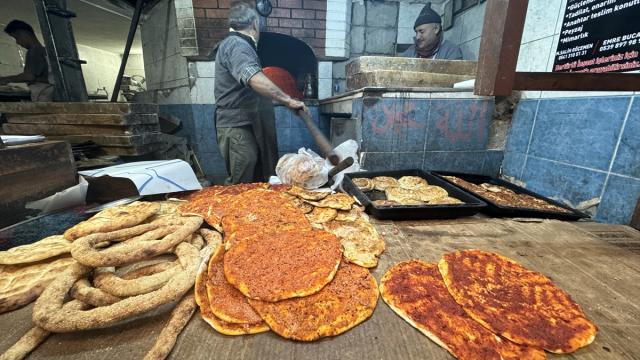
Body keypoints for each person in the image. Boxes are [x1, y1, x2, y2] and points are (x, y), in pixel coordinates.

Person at [214, 2, 306, 185]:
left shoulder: (236, 45)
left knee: (254, 184)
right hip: (239, 127)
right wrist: (288, 100)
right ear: (255, 23)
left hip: (245, 125)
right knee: (241, 187)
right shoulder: (237, 45)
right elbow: (253, 78)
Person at [0, 20, 54, 101]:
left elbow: (29, 76)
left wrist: (5, 79)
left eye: (16, 38)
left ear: (24, 33)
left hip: (43, 96)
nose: (17, 42)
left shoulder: (34, 51)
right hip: (49, 94)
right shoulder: (43, 50)